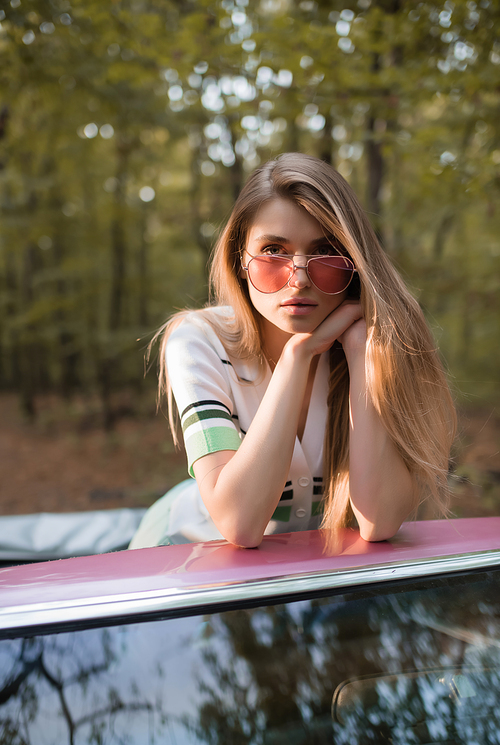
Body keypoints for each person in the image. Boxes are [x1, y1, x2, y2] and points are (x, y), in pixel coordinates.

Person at [130, 152, 456, 549]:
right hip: (184, 554)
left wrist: (361, 352)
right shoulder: (198, 341)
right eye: (273, 250)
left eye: (323, 252)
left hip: (303, 575)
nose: (299, 278)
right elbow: (239, 523)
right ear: (241, 262)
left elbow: (380, 521)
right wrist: (297, 357)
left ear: (353, 264)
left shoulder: (372, 349)